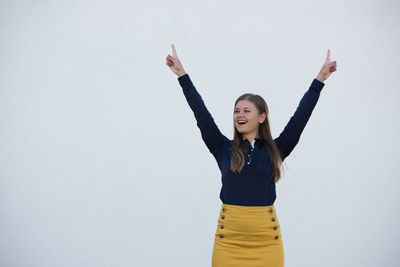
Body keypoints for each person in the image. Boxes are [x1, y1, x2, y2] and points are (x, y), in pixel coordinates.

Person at [165, 44, 337, 267]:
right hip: (228, 242)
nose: (239, 115)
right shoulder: (221, 148)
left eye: (246, 110)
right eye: (236, 110)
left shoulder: (277, 149)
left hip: (267, 241)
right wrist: (181, 74)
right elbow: (201, 113)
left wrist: (320, 79)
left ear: (262, 117)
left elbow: (300, 118)